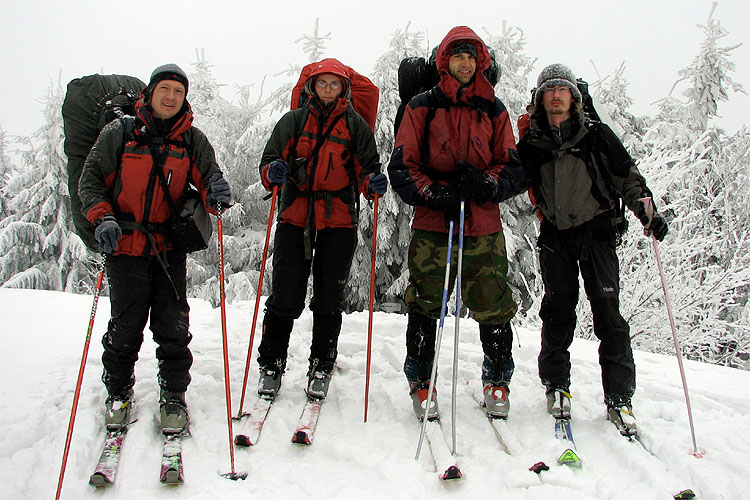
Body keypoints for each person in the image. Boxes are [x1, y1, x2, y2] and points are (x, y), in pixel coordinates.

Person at [79, 64, 233, 434]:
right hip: (124, 246)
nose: (170, 97)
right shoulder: (120, 132)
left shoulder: (192, 140)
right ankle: (118, 393)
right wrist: (103, 219)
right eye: (165, 89)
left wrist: (218, 194)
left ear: (184, 99)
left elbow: (210, 181)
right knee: (126, 325)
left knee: (173, 326)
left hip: (168, 249)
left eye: (178, 92)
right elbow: (91, 182)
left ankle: (174, 394)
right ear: (150, 93)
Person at [516, 63, 669, 433]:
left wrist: (647, 212)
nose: (556, 95)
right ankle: (556, 384)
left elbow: (627, 176)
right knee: (557, 311)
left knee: (608, 314)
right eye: (549, 90)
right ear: (540, 99)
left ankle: (619, 397)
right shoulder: (534, 142)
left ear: (574, 97)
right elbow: (510, 179)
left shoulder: (597, 135)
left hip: (597, 233)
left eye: (562, 90)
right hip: (555, 234)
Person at [388, 26, 525, 420]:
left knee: (492, 302)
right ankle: (421, 379)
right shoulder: (421, 107)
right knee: (427, 301)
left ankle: (497, 378)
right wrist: (433, 193)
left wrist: (486, 182)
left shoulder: (494, 110)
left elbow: (512, 167)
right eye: (456, 55)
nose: (464, 62)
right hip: (434, 221)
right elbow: (402, 166)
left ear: (479, 62)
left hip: (482, 222)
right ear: (444, 62)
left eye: (470, 56)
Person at [256, 58, 386, 401]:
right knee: (285, 295)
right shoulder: (293, 122)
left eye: (334, 84)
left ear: (343, 88)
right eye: (322, 83)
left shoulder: (356, 126)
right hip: (295, 218)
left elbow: (367, 168)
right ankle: (271, 363)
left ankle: (322, 365)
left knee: (329, 299)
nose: (328, 90)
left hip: (339, 221)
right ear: (311, 87)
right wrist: (273, 172)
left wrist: (372, 183)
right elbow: (269, 161)